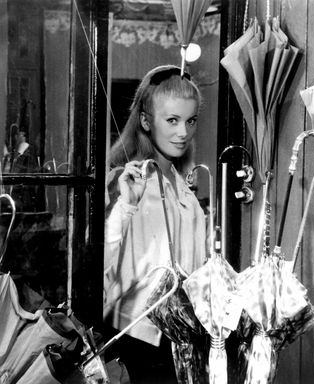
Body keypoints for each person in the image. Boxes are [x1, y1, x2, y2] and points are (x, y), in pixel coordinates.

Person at [104, 65, 208, 383]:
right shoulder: (124, 181)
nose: (183, 133)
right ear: (147, 121)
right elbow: (102, 269)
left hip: (178, 335)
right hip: (136, 339)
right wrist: (126, 206)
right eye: (172, 120)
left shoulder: (180, 184)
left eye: (190, 121)